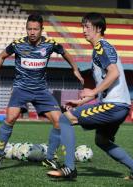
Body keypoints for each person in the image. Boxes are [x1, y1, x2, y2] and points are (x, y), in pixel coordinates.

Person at [0, 13, 84, 169]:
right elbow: (1, 56)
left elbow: (65, 53)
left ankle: (49, 157)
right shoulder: (17, 44)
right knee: (11, 118)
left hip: (41, 90)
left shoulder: (50, 44)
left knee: (59, 121)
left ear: (42, 30)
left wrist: (75, 69)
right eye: (29, 29)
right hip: (21, 88)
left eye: (35, 29)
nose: (32, 32)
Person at [47, 12, 133, 179]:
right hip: (118, 105)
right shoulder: (100, 49)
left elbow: (113, 73)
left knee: (65, 119)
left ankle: (69, 168)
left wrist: (92, 92)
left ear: (99, 28)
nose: (83, 30)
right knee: (102, 141)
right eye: (82, 26)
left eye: (87, 26)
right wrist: (82, 101)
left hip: (113, 106)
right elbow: (108, 85)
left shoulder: (102, 46)